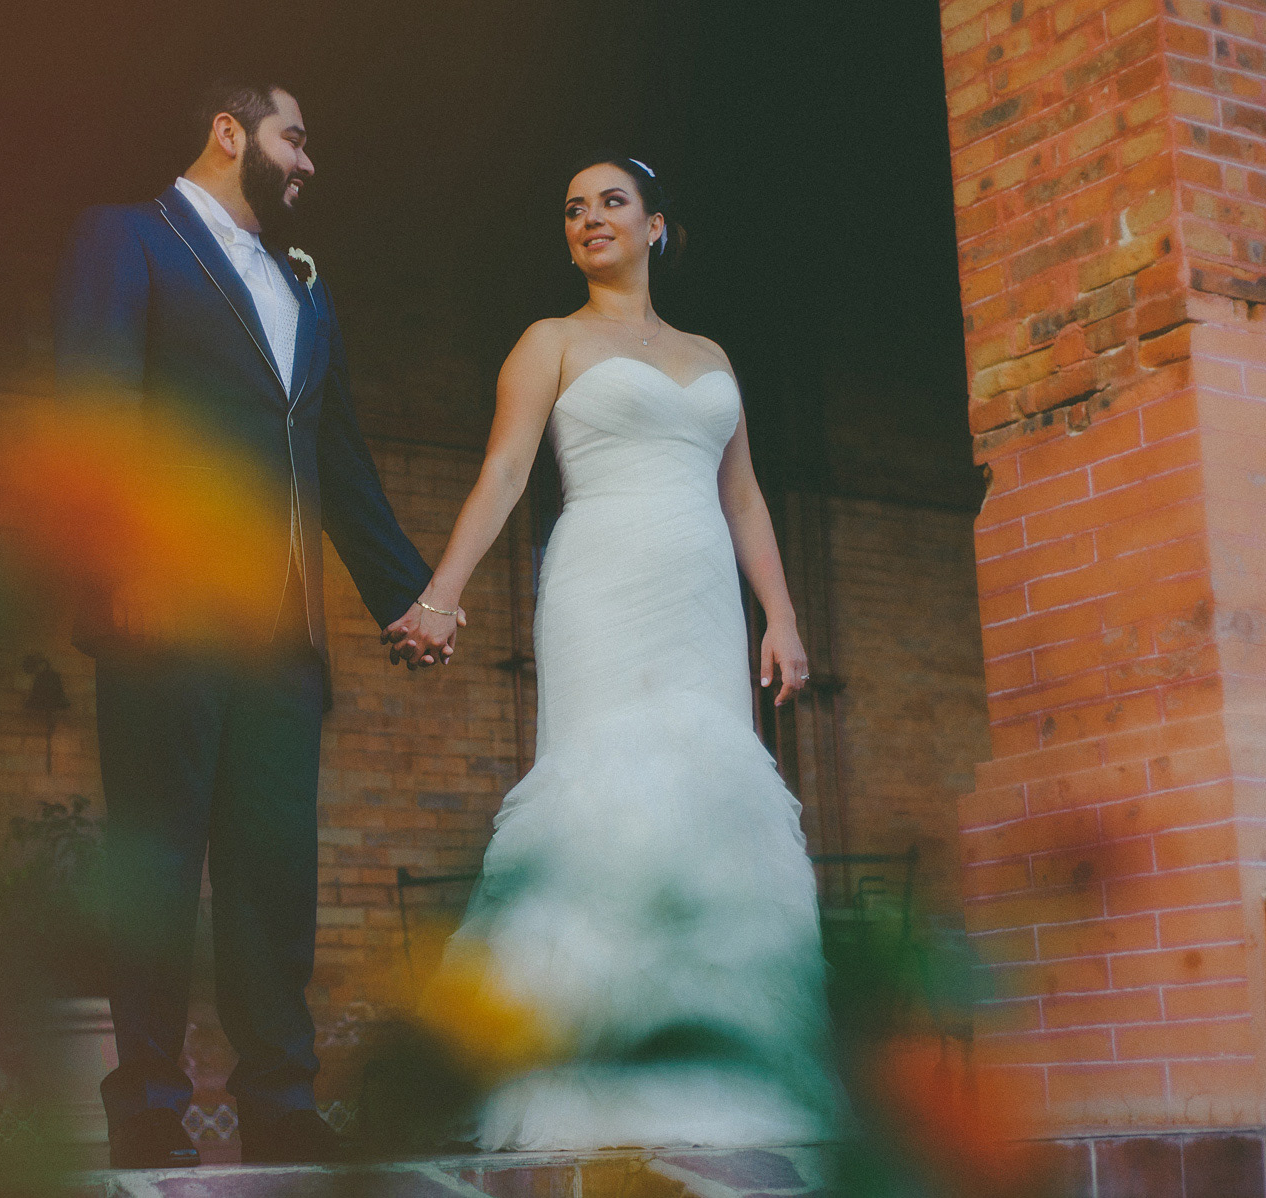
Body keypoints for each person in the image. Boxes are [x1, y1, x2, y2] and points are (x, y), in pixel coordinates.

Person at [387, 155, 844, 1149]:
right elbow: (505, 471)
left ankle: (720, 1074)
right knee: (605, 799)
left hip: (702, 599)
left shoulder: (713, 351)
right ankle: (584, 1079)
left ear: (656, 228)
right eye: (572, 209)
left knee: (706, 795)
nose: (589, 218)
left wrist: (783, 614)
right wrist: (441, 593)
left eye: (611, 202)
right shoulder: (548, 341)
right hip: (601, 585)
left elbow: (746, 496)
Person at [54, 78, 460, 1170]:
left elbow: (342, 462)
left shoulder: (305, 290)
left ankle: (279, 1102)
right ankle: (147, 1105)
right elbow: (89, 409)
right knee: (156, 866)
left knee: (274, 875)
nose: (308, 163)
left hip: (281, 646)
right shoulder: (126, 242)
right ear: (230, 133)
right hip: (161, 614)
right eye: (296, 138)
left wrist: (412, 599)